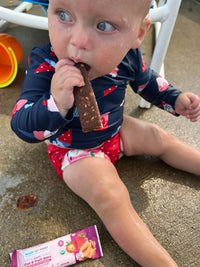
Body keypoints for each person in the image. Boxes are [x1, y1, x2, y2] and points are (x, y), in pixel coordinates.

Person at [11, 0, 200, 266]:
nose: (77, 41)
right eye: (63, 14)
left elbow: (148, 83)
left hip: (114, 129)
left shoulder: (127, 56)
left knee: (159, 138)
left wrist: (176, 99)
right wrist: (56, 102)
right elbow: (21, 123)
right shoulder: (46, 63)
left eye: (103, 25)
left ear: (138, 34)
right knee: (113, 198)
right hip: (73, 150)